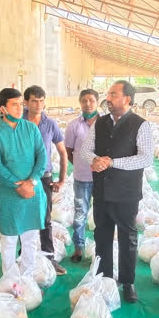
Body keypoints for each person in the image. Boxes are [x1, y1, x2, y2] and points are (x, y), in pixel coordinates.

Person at [79, 80, 154, 303]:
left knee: (127, 237)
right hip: (101, 191)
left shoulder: (141, 125)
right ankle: (105, 279)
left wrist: (112, 162)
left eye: (113, 94)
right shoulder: (99, 123)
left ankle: (128, 282)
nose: (108, 98)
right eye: (108, 94)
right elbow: (85, 149)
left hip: (126, 193)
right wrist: (95, 160)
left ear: (127, 99)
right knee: (102, 235)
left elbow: (145, 157)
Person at [0, 88, 47, 276]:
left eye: (21, 104)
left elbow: (41, 157)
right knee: (9, 241)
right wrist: (18, 185)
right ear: (3, 108)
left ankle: (27, 280)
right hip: (9, 196)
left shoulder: (31, 128)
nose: (20, 108)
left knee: (30, 240)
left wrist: (32, 181)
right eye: (14, 104)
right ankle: (10, 283)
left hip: (33, 194)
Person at [23, 85, 68, 275]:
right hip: (23, 179)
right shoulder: (18, 121)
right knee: (24, 219)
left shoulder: (50, 124)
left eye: (41, 101)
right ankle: (23, 259)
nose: (38, 104)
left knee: (45, 219)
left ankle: (49, 258)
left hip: (44, 178)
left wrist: (62, 179)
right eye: (34, 100)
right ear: (26, 102)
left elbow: (62, 151)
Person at [65, 89, 99, 262]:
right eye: (84, 100)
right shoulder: (74, 125)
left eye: (91, 100)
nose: (88, 104)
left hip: (103, 179)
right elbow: (69, 151)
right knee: (80, 213)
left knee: (102, 214)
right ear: (80, 103)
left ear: (97, 102)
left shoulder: (107, 123)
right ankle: (79, 247)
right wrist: (80, 164)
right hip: (82, 177)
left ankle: (101, 248)